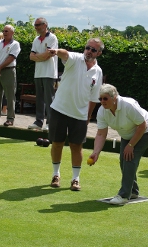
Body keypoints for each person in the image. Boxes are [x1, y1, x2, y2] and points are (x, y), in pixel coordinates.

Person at [47, 38, 104, 191]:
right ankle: (55, 175)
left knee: (76, 146)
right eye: (87, 48)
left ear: (98, 53)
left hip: (79, 115)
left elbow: (93, 98)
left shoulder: (98, 72)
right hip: (59, 109)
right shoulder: (76, 59)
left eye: (93, 50)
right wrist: (56, 51)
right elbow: (65, 54)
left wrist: (88, 117)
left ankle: (75, 179)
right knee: (57, 143)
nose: (89, 51)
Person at [89, 84, 148, 205]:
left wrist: (130, 146)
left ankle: (124, 195)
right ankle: (133, 191)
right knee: (123, 160)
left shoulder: (128, 105)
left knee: (129, 159)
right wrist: (96, 152)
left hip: (146, 131)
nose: (102, 102)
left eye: (105, 98)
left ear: (114, 97)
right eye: (100, 99)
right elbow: (101, 134)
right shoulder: (102, 111)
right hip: (128, 134)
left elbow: (143, 125)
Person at [27, 17, 58, 131]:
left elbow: (47, 55)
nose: (36, 27)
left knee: (49, 99)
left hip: (49, 73)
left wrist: (37, 56)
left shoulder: (52, 38)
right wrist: (41, 56)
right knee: (39, 98)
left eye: (38, 25)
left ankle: (51, 123)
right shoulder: (36, 39)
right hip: (38, 73)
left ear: (45, 25)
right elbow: (31, 56)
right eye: (35, 25)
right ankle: (38, 122)